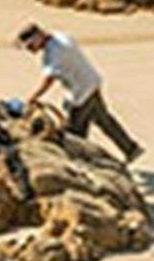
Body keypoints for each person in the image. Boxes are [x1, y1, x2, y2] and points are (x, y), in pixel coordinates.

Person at [17, 23, 141, 163]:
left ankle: (84, 163)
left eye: (30, 46)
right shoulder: (60, 36)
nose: (30, 50)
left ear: (38, 38)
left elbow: (49, 80)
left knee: (74, 135)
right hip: (92, 82)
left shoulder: (53, 54)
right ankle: (131, 148)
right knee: (104, 120)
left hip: (81, 93)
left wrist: (33, 97)